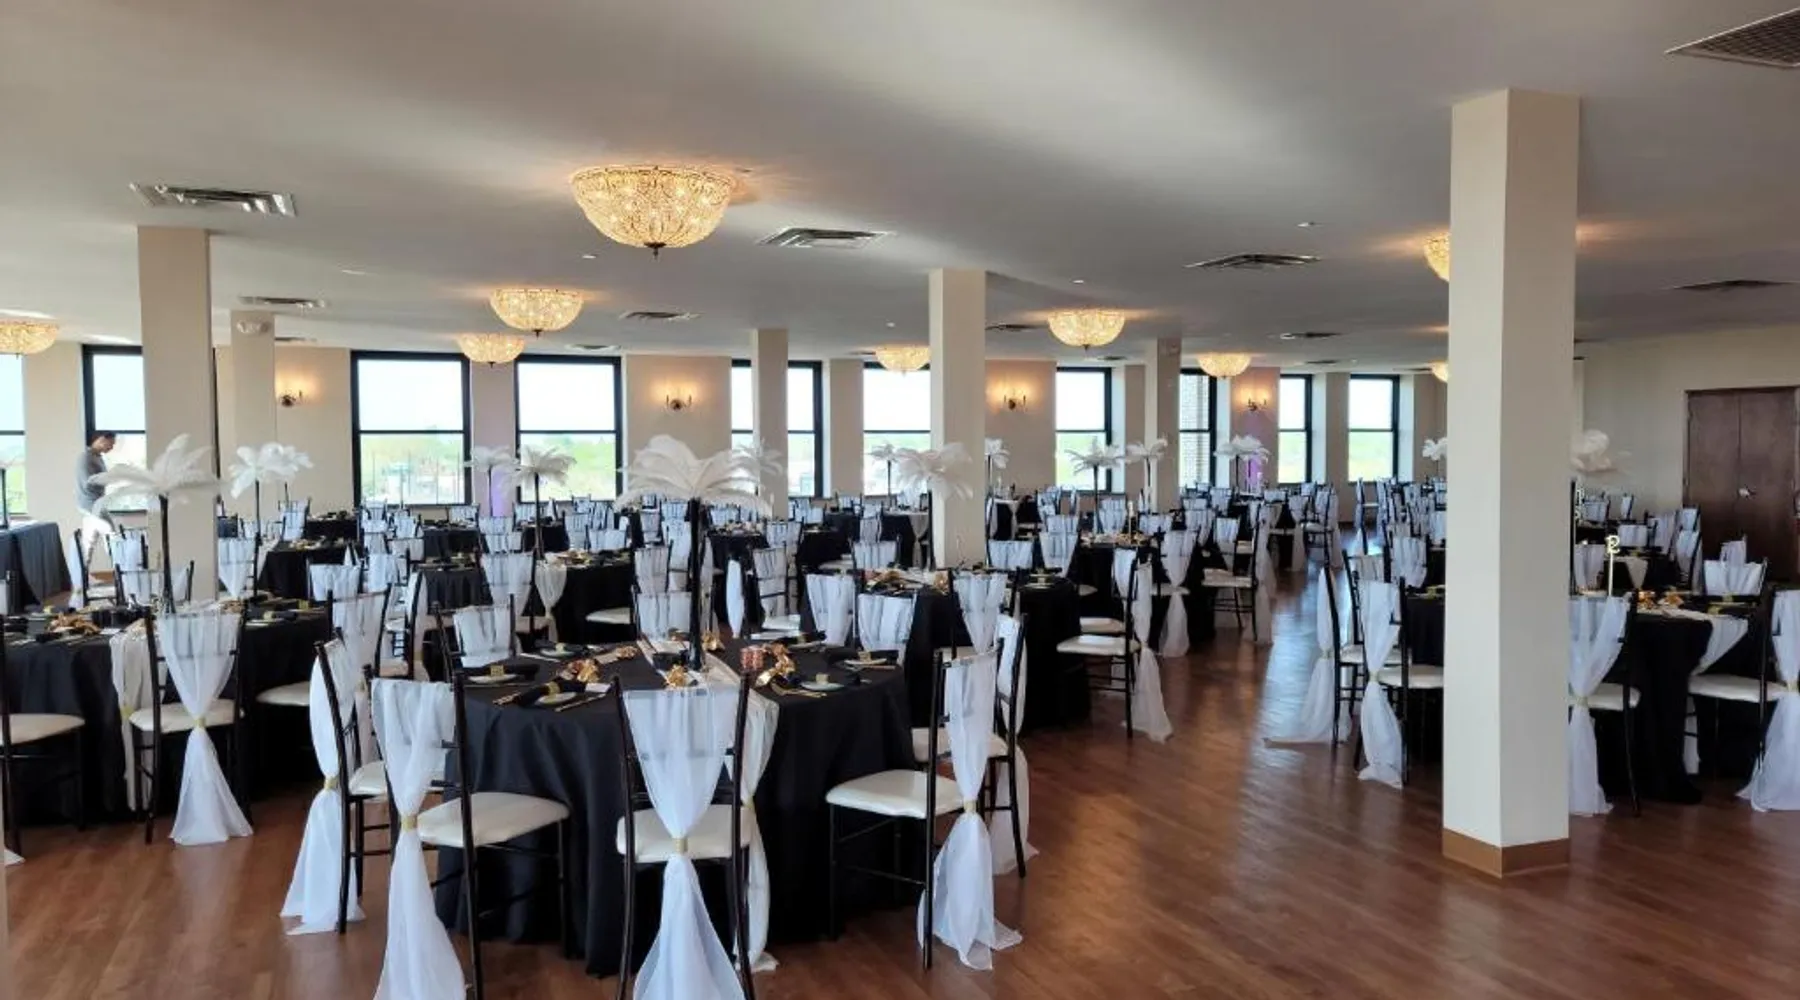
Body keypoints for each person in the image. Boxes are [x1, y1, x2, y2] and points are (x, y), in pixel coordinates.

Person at [75, 432, 117, 570]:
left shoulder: (97, 457)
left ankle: (82, 577)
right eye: (111, 443)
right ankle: (121, 573)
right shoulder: (85, 458)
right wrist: (109, 478)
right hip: (91, 504)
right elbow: (88, 482)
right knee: (112, 537)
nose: (112, 447)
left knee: (89, 543)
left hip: (96, 503)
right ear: (101, 439)